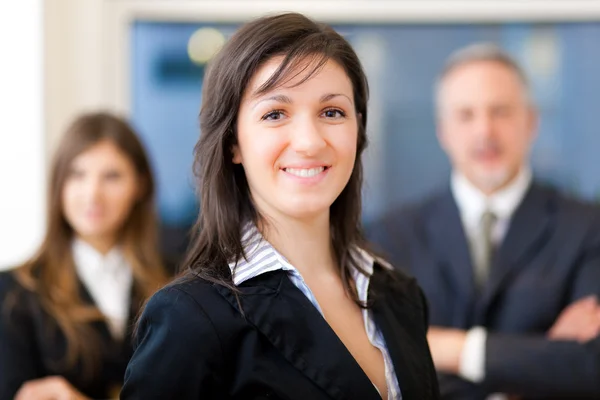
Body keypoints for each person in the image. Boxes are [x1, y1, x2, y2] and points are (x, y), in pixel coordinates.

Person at [121, 12, 439, 400]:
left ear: (358, 131)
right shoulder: (191, 316)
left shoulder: (400, 296)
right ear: (233, 143)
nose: (308, 141)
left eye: (332, 112)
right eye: (275, 114)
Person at [367, 43, 600, 399]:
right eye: (466, 115)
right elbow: (382, 369)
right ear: (443, 131)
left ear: (531, 122)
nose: (485, 131)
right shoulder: (392, 234)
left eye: (501, 112)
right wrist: (541, 361)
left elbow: (590, 365)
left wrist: (449, 348)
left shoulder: (588, 227)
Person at [0, 112, 169, 400]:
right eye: (77, 175)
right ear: (59, 186)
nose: (92, 194)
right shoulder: (14, 291)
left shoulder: (177, 280)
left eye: (111, 176)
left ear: (139, 185)